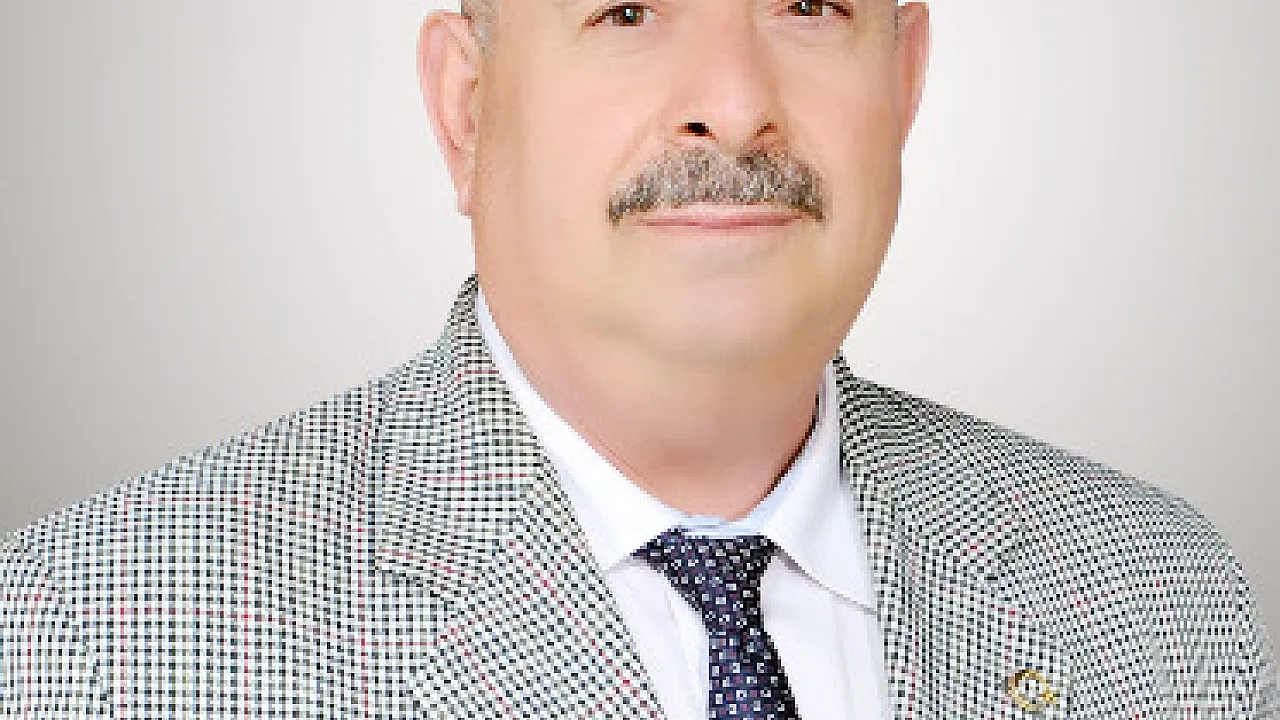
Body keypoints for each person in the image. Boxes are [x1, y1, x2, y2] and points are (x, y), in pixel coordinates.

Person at [1, 0, 1275, 717]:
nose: (733, 100)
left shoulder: (1163, 602)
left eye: (806, 4)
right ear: (466, 107)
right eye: (625, 8)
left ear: (903, 80)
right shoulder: (101, 633)